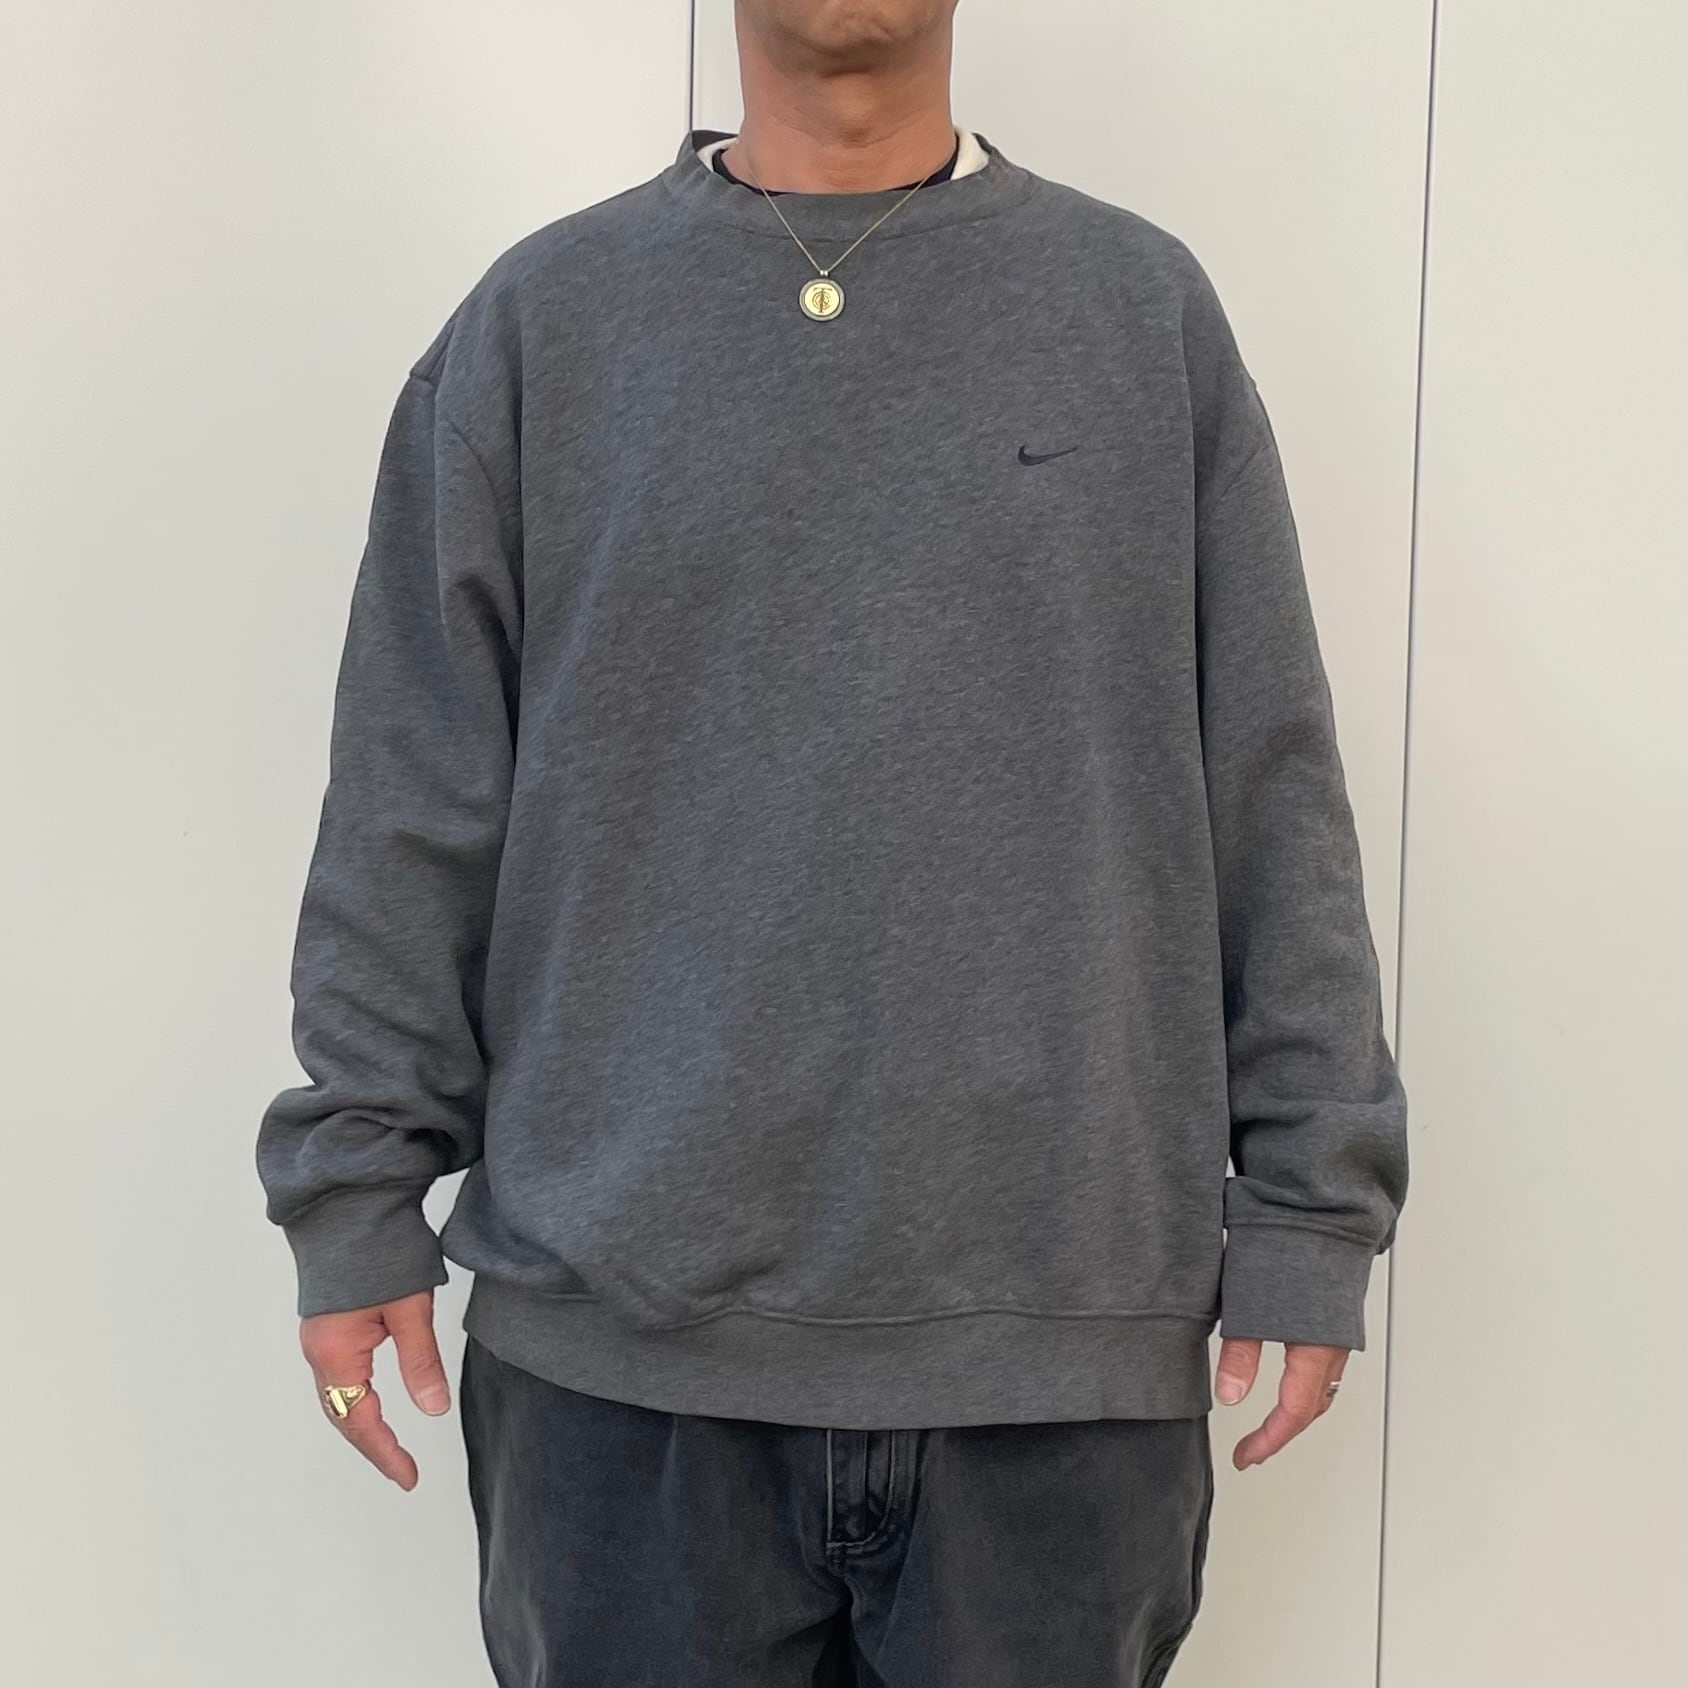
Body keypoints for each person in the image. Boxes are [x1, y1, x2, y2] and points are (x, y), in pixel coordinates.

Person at [256, 2, 1409, 1682]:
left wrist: (1312, 1210)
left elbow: (1272, 788)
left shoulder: (1137, 312)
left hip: (1058, 1364)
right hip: (618, 1372)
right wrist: (356, 1187)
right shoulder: (540, 325)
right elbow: (409, 799)